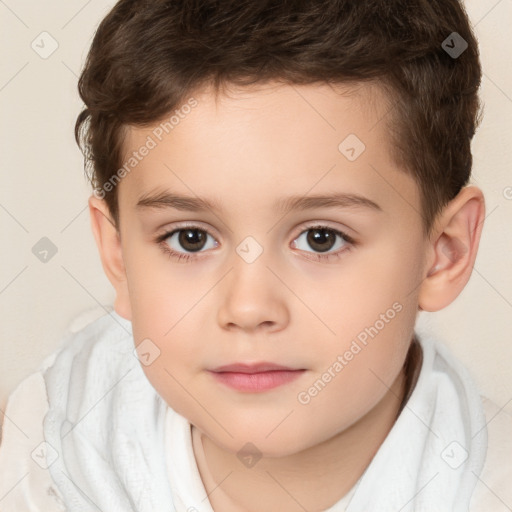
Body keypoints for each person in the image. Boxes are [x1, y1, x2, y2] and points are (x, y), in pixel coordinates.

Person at [0, 0, 510, 510]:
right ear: (118, 257)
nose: (248, 308)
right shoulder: (46, 448)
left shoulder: (489, 488)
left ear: (444, 253)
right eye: (190, 239)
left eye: (321, 239)